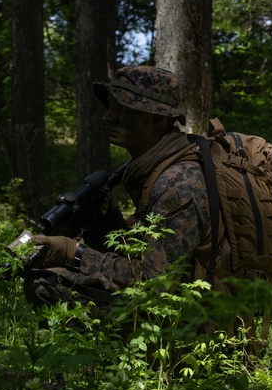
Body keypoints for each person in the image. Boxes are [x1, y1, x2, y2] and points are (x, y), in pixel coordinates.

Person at [23, 66, 213, 309]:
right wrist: (105, 224)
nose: (108, 116)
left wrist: (75, 252)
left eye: (124, 109)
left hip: (191, 322)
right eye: (111, 105)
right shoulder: (154, 167)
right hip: (173, 305)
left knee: (45, 283)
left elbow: (154, 282)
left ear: (158, 118)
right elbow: (142, 253)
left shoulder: (177, 184)